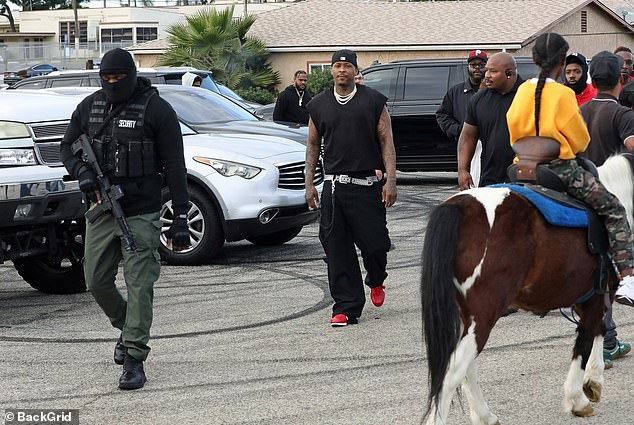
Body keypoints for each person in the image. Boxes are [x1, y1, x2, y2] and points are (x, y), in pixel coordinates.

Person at [60, 48, 191, 390]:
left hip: (142, 212)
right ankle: (127, 327)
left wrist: (179, 217)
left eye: (119, 78)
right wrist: (82, 172)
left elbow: (176, 167)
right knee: (96, 280)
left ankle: (134, 356)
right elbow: (66, 146)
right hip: (100, 209)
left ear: (132, 75)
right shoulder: (89, 107)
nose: (113, 84)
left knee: (140, 284)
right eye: (107, 78)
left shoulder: (157, 110)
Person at [506, 33, 634, 313]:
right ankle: (627, 279)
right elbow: (580, 139)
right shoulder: (563, 93)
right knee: (613, 209)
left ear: (534, 60)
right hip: (559, 168)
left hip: (522, 168)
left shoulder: (522, 90)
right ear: (562, 63)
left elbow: (512, 125)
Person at [305, 49, 397, 327]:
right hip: (333, 187)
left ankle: (376, 278)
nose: (341, 70)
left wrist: (390, 180)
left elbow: (386, 141)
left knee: (375, 245)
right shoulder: (318, 104)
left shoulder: (373, 101)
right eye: (337, 66)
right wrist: (309, 183)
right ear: (331, 71)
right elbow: (311, 145)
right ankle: (346, 307)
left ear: (356, 71)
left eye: (347, 66)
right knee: (337, 248)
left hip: (367, 185)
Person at [578, 51, 634, 365]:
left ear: (591, 80)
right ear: (621, 79)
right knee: (614, 275)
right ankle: (607, 339)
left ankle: (605, 338)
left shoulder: (580, 111)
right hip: (617, 205)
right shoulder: (623, 115)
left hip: (582, 200)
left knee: (597, 274)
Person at [458, 52, 524, 189]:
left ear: (509, 73)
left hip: (524, 178)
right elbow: (468, 135)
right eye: (486, 70)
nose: (486, 75)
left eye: (493, 71)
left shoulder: (528, 95)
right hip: (490, 177)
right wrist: (463, 170)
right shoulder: (478, 99)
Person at [437, 49, 487, 186]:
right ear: (468, 67)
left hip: (490, 144)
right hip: (467, 145)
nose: (477, 68)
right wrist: (459, 130)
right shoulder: (456, 91)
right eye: (473, 65)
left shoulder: (494, 91)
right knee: (470, 183)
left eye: (481, 65)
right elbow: (442, 115)